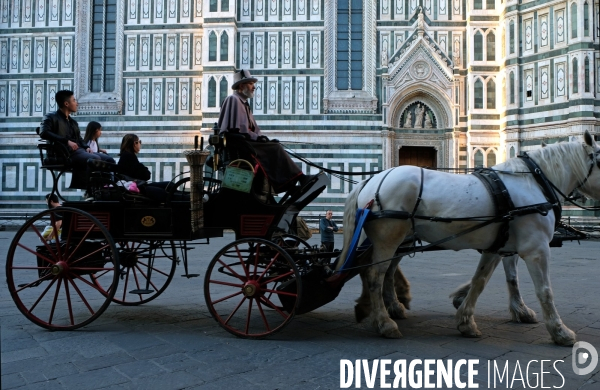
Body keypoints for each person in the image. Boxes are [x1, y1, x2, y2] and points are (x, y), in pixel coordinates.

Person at [218, 69, 314, 193]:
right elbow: (236, 130)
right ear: (241, 86)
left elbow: (250, 129)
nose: (254, 87)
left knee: (275, 145)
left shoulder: (244, 103)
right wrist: (257, 138)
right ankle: (299, 179)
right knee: (275, 149)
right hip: (242, 146)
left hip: (248, 143)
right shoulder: (234, 100)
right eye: (251, 84)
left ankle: (289, 186)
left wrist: (263, 138)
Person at [39, 90, 104, 190]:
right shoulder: (51, 117)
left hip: (77, 151)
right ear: (66, 103)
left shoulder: (72, 122)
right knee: (95, 159)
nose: (76, 103)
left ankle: (106, 188)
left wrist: (86, 147)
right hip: (62, 154)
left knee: (108, 159)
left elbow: (79, 139)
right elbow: (43, 132)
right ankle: (90, 190)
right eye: (74, 100)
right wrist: (66, 141)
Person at [117, 134, 171, 201]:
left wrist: (142, 167)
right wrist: (144, 168)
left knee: (169, 185)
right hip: (139, 188)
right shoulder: (129, 157)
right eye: (139, 142)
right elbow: (146, 175)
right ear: (135, 143)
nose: (140, 144)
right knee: (166, 190)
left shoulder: (126, 156)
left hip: (139, 186)